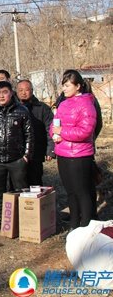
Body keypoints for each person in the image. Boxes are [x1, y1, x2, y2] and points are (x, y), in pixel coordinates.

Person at [51, 69, 98, 230]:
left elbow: (85, 131)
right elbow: (54, 124)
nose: (64, 89)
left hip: (80, 155)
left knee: (82, 191)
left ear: (78, 86)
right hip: (62, 153)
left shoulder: (86, 104)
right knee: (70, 191)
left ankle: (86, 225)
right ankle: (74, 224)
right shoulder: (63, 104)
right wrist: (54, 133)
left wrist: (61, 132)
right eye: (63, 85)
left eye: (67, 85)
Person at [0, 81, 33, 227]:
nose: (1, 96)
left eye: (4, 92)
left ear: (11, 93)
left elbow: (29, 134)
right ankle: (1, 218)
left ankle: (22, 219)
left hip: (17, 158)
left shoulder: (22, 111)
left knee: (20, 189)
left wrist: (26, 155)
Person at [17, 79, 55, 186]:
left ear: (32, 90)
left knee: (35, 182)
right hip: (16, 154)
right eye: (20, 90)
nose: (24, 93)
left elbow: (50, 129)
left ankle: (35, 202)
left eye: (27, 90)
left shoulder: (42, 108)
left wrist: (50, 150)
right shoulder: (12, 108)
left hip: (36, 152)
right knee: (17, 183)